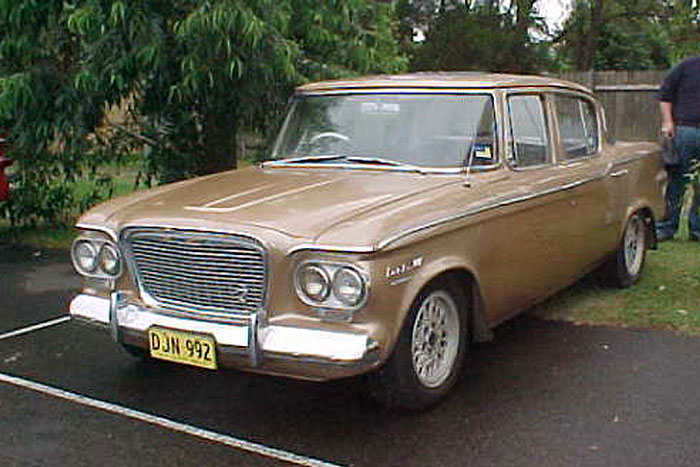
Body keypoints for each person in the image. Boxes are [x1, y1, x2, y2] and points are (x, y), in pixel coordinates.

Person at [656, 55, 700, 242]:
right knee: (677, 180)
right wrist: (668, 122)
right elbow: (665, 95)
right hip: (685, 131)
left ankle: (697, 229)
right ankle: (666, 227)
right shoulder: (686, 66)